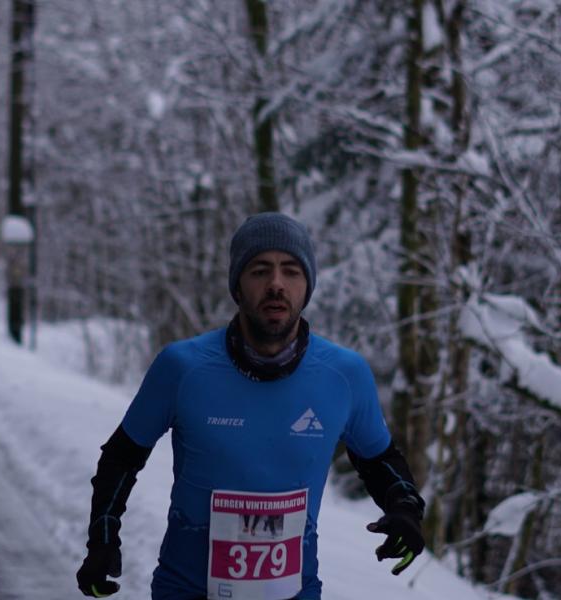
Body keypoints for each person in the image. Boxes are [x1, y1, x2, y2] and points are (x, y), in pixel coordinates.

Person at [76, 213, 426, 599]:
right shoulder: (183, 368)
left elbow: (380, 460)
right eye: (260, 270)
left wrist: (406, 508)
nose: (276, 284)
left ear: (307, 286)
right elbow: (122, 456)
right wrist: (103, 536)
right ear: (237, 286)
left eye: (291, 271)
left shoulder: (344, 376)